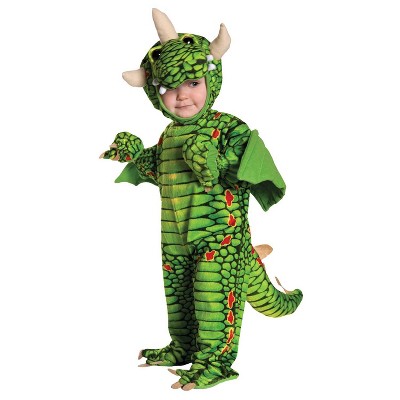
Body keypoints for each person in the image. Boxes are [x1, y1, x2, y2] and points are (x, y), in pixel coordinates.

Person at [101, 8, 302, 391]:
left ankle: (214, 362)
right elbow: (155, 168)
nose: (181, 95)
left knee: (212, 298)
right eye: (167, 86)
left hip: (220, 239)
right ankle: (183, 346)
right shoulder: (168, 136)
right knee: (178, 296)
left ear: (210, 78)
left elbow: (239, 167)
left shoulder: (229, 128)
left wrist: (212, 161)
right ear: (154, 92)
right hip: (175, 238)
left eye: (193, 82)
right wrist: (132, 151)